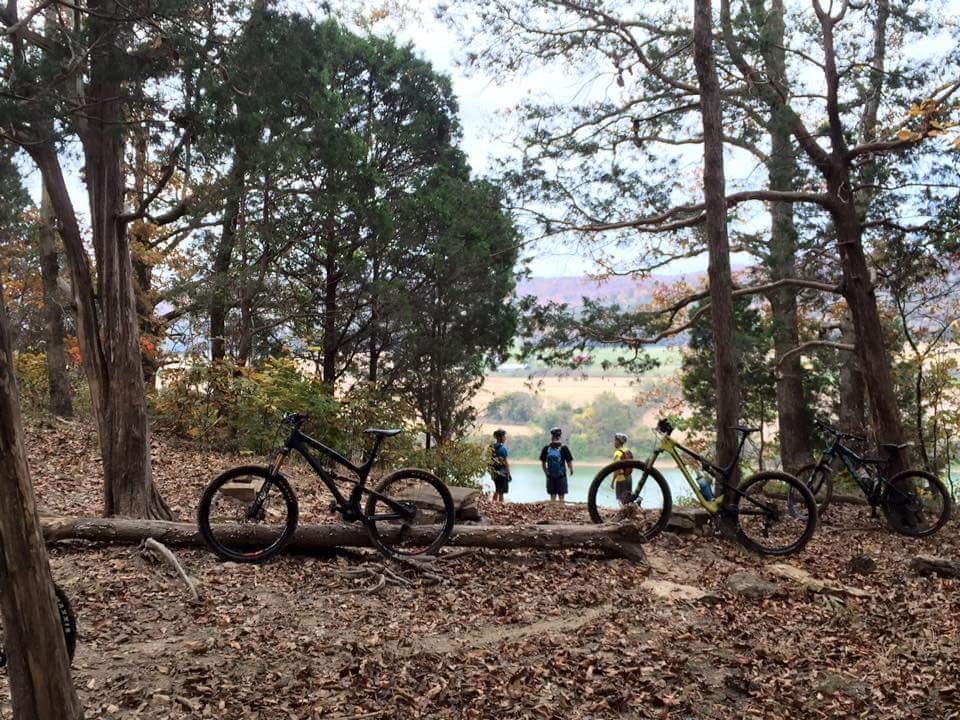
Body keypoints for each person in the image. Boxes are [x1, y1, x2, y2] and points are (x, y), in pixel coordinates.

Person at [540, 427, 574, 503]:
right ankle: (561, 511)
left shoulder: (547, 448)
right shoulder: (564, 448)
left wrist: (546, 473)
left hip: (550, 476)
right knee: (561, 497)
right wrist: (571, 470)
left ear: (552, 436)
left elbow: (543, 463)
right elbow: (569, 462)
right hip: (561, 476)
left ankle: (552, 512)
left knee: (552, 497)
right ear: (559, 436)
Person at [488, 429, 511, 503]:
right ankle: (500, 506)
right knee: (501, 492)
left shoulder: (491, 447)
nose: (505, 438)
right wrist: (508, 473)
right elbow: (506, 462)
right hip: (502, 472)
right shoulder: (503, 449)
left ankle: (494, 505)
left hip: (494, 472)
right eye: (504, 436)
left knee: (497, 489)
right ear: (500, 437)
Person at [611, 433, 634, 503]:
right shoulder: (628, 451)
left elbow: (617, 469)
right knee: (628, 498)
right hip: (629, 477)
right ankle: (632, 511)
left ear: (618, 442)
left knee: (621, 500)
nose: (614, 443)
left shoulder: (618, 453)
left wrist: (612, 481)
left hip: (621, 479)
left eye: (615, 441)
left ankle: (625, 513)